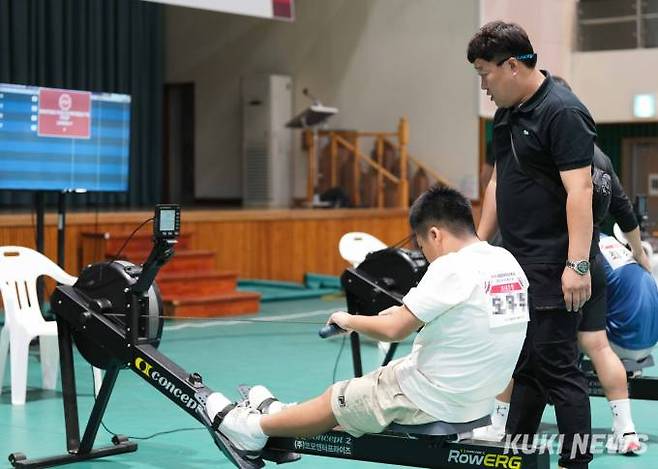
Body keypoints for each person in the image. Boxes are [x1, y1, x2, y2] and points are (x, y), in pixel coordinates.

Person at [203, 186, 529, 458]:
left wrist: (349, 320)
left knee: (338, 398)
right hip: (477, 399)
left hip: (433, 400)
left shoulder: (451, 267)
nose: (425, 254)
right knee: (373, 385)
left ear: (435, 234)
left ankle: (252, 429)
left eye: (422, 244)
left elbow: (395, 330)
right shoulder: (504, 260)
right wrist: (401, 315)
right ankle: (283, 414)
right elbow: (466, 319)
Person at [474, 76, 650, 455]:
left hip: (563, 268)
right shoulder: (600, 158)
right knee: (573, 354)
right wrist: (639, 255)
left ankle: (509, 430)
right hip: (590, 262)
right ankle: (626, 430)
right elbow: (624, 211)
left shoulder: (554, 146)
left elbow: (567, 197)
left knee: (545, 362)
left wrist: (574, 265)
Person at [468, 21, 597, 469]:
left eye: (485, 72)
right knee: (524, 367)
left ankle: (575, 462)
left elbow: (580, 191)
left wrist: (576, 266)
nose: (482, 84)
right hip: (516, 266)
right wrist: (477, 246)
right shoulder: (507, 113)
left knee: (560, 370)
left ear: (512, 65)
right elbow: (499, 181)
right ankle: (515, 456)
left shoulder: (562, 112)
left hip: (554, 265)